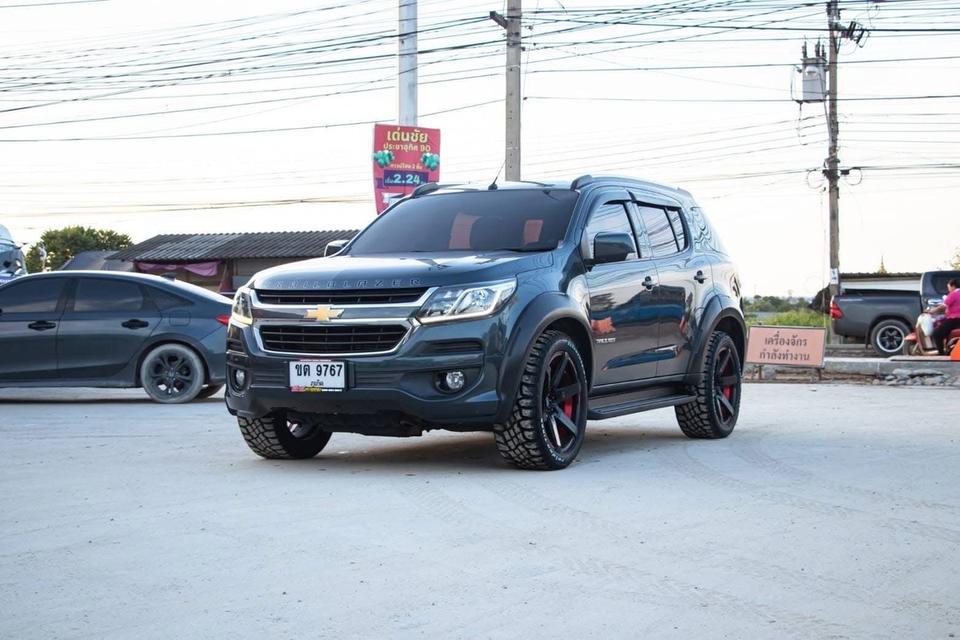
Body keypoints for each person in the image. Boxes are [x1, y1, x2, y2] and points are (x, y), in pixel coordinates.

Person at [927, 278, 960, 355]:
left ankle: (941, 354)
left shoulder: (954, 294)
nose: (948, 289)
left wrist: (932, 311)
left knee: (937, 334)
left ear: (953, 286)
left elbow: (943, 306)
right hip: (956, 319)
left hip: (955, 319)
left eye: (948, 287)